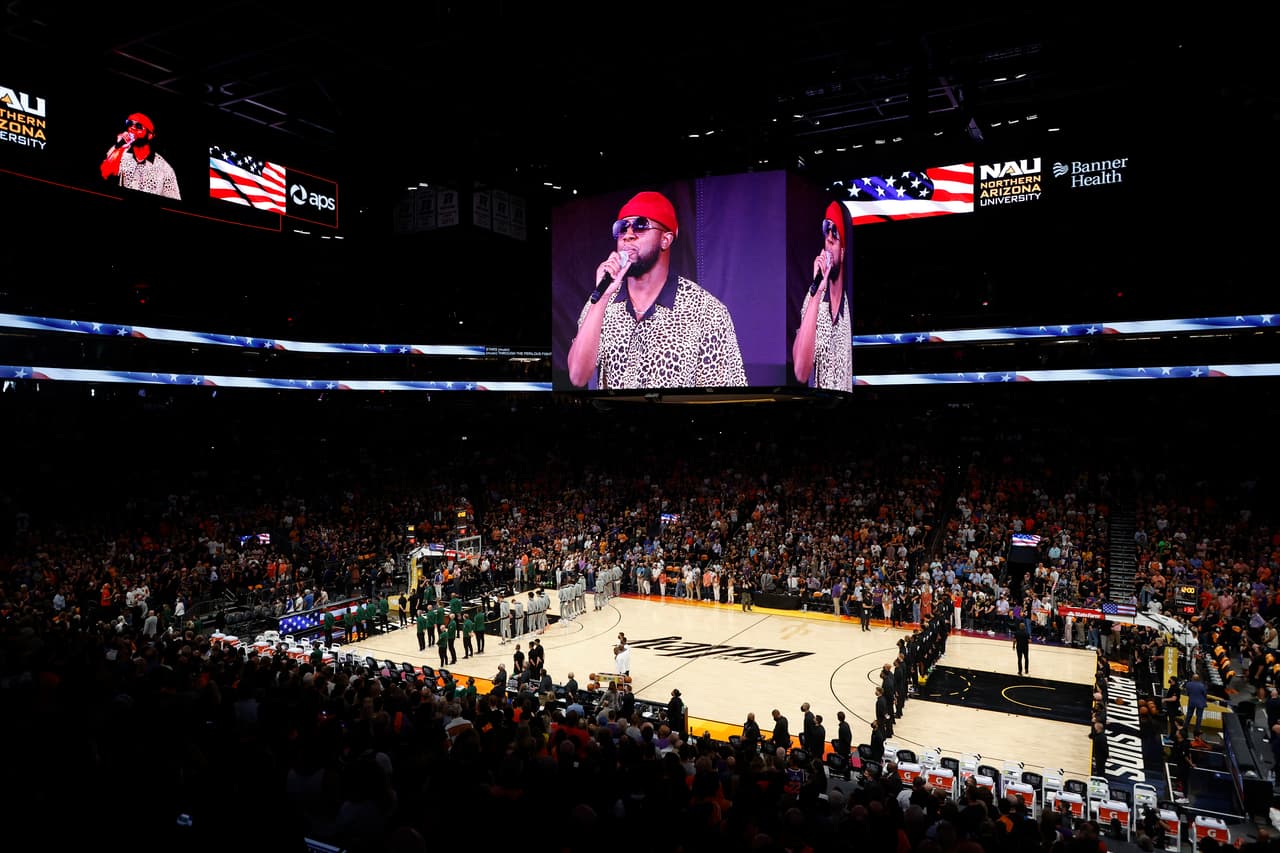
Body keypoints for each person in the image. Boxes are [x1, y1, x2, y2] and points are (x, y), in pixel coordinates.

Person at [567, 190, 747, 389]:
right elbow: (577, 376)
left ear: (666, 240)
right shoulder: (601, 301)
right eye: (622, 227)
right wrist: (602, 299)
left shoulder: (707, 312)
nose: (628, 235)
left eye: (640, 226)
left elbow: (720, 395)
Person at [792, 200, 852, 390]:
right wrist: (817, 291)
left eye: (835, 232)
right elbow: (801, 372)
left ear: (843, 252)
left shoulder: (848, 307)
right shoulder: (814, 301)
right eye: (827, 229)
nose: (829, 238)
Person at [99, 113, 181, 200]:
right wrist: (119, 148)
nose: (132, 128)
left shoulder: (164, 168)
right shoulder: (119, 151)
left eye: (138, 126)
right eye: (130, 123)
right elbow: (105, 173)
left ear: (150, 136)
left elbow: (173, 201)